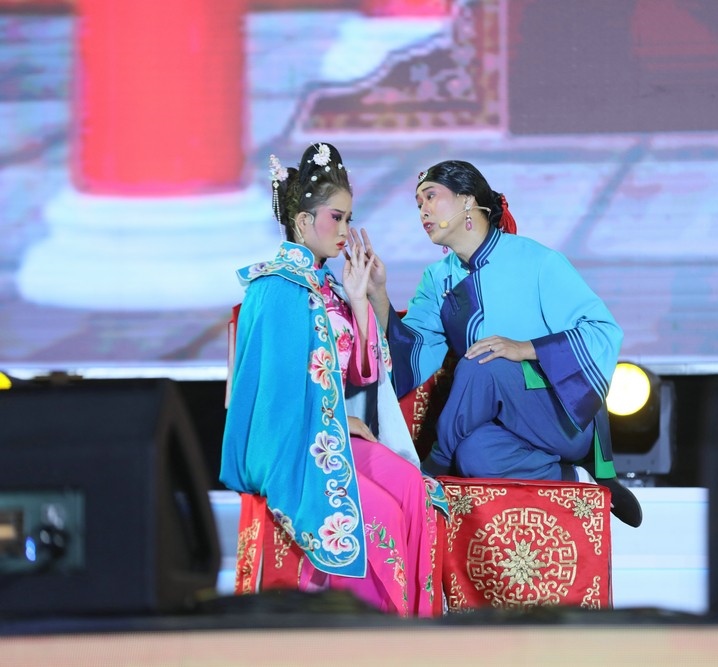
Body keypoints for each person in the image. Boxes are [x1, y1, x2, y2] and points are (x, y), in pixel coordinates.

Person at [219, 142, 445, 617]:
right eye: (336, 218)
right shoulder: (277, 288)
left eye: (348, 219)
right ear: (303, 221)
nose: (344, 230)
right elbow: (277, 399)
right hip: (296, 447)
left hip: (333, 436)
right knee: (377, 514)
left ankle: (415, 631)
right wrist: (337, 421)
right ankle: (365, 633)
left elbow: (364, 374)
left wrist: (361, 301)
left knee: (417, 491)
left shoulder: (334, 288)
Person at [357, 159, 642, 527]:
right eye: (418, 203)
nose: (423, 210)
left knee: (483, 362)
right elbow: (411, 353)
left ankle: (431, 470)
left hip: (559, 416)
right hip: (501, 429)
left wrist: (525, 348)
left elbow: (602, 331)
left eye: (431, 197)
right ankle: (578, 478)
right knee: (473, 456)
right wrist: (377, 294)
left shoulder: (537, 261)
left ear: (466, 200)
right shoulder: (437, 278)